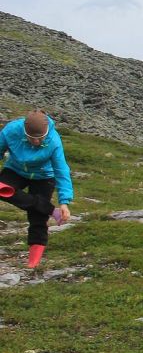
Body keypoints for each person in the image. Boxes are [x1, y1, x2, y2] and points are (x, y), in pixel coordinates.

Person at [0, 110, 73, 268]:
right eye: (32, 138)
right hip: (15, 170)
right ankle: (49, 209)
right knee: (2, 188)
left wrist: (64, 201)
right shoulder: (11, 131)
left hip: (44, 175)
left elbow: (61, 170)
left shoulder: (54, 141)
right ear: (24, 132)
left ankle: (33, 262)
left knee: (37, 218)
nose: (36, 141)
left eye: (40, 138)